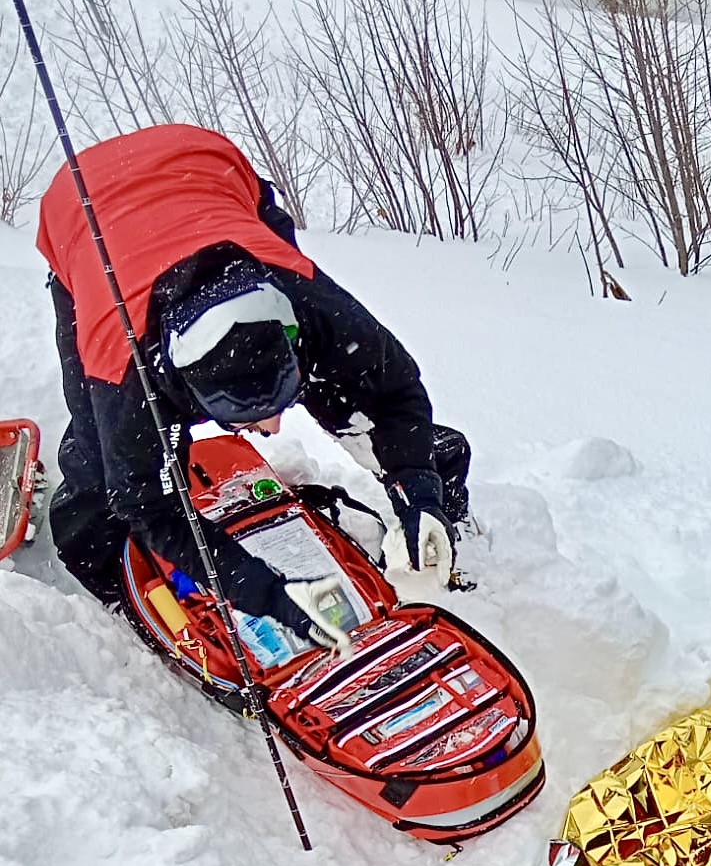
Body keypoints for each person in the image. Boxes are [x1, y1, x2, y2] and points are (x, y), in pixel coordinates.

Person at [38, 123, 470, 651]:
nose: (274, 428)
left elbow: (394, 391)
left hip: (204, 168)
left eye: (280, 401)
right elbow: (147, 506)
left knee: (356, 398)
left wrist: (418, 488)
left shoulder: (314, 308)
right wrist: (268, 594)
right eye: (244, 416)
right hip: (82, 213)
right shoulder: (126, 376)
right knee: (101, 465)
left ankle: (432, 517)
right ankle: (113, 584)